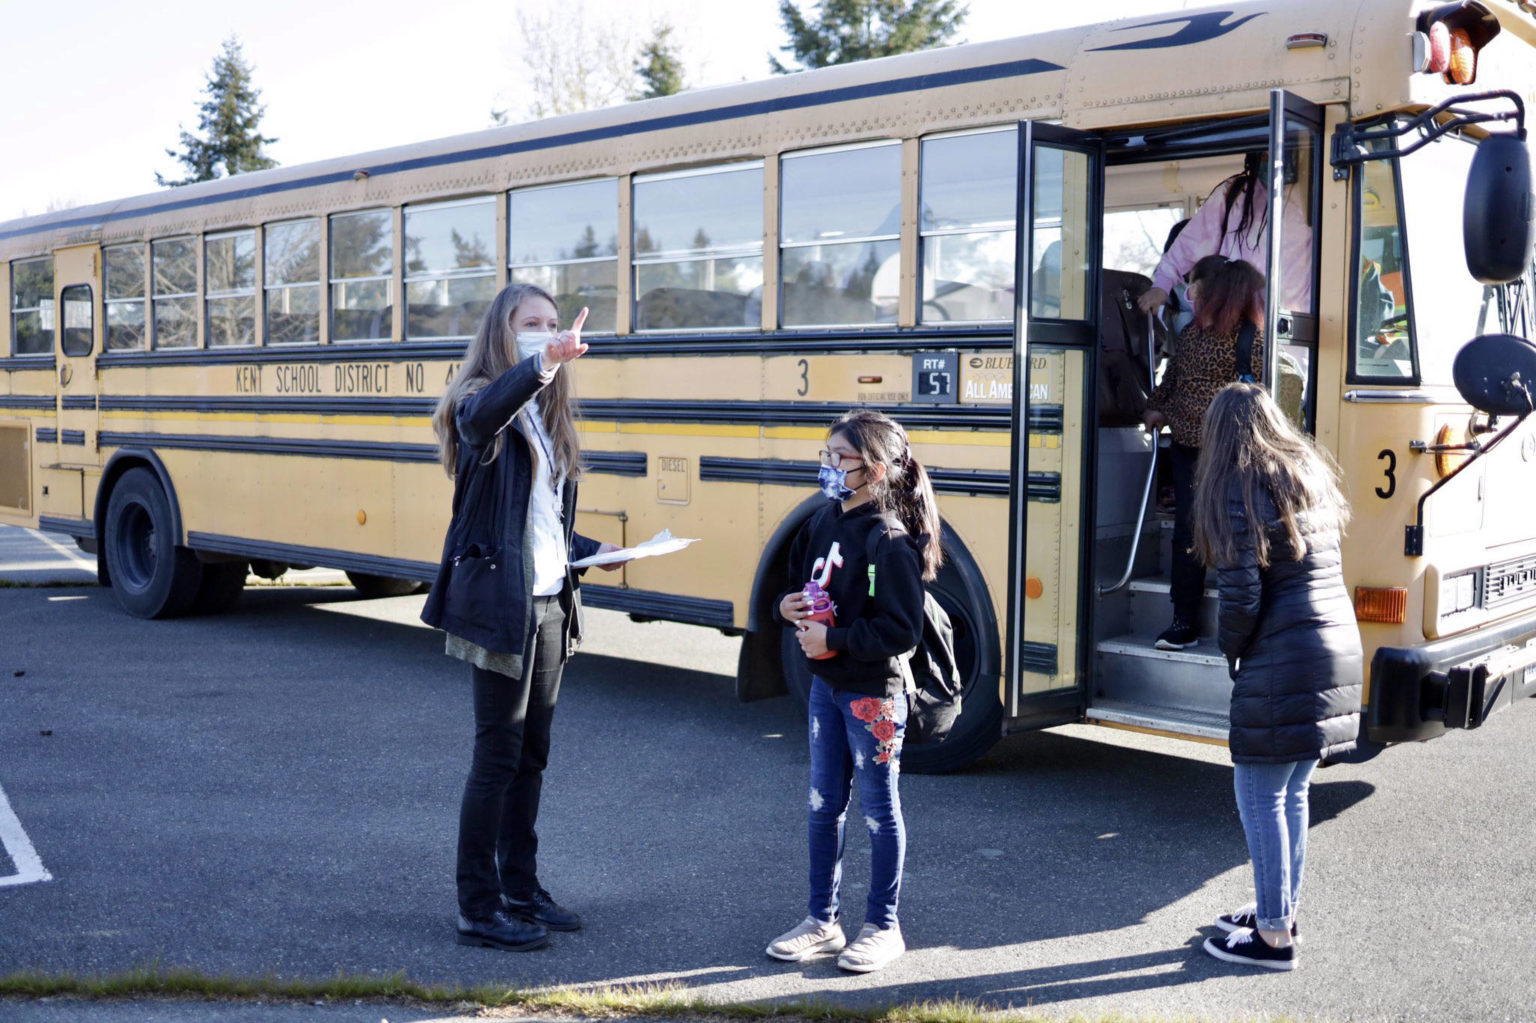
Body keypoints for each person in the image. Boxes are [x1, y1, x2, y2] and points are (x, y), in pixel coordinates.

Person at [420, 283, 623, 952]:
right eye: (530, 323)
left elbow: (539, 526)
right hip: (499, 603)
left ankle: (520, 885)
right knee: (497, 754)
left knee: (531, 754)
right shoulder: (478, 401)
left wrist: (600, 552)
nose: (545, 331)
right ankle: (477, 903)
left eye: (553, 324)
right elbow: (482, 419)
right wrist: (542, 363)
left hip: (550, 601)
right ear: (502, 333)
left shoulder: (548, 414)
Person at [1190, 383, 1362, 972]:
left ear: (1219, 433)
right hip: (1334, 643)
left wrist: (1230, 650)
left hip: (1282, 654)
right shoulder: (1305, 470)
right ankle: (1279, 913)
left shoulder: (1237, 486)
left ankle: (1271, 940)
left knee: (1259, 795)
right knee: (1292, 793)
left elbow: (1241, 594)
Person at [765, 409, 942, 974]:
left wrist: (833, 638)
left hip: (874, 697)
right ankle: (823, 921)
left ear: (878, 470)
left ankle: (884, 927)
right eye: (827, 455)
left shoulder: (888, 540)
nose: (829, 467)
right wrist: (786, 608)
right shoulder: (821, 521)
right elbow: (797, 585)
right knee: (823, 807)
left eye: (841, 459)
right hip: (827, 690)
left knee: (878, 812)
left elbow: (901, 630)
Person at [1143, 255, 1266, 650]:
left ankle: (1243, 623)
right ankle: (1184, 620)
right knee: (1187, 534)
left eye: (1195, 285)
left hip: (1232, 453)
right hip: (1186, 450)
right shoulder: (1192, 336)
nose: (1188, 292)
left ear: (1217, 292)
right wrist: (1155, 405)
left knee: (1234, 534)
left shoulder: (1253, 340)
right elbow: (1173, 379)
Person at [1138, 151, 1313, 319]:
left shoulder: (1319, 194)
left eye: (1282, 152)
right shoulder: (1235, 193)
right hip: (1236, 327)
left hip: (1299, 335)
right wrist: (1162, 285)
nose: (1274, 158)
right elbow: (1192, 242)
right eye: (1265, 154)